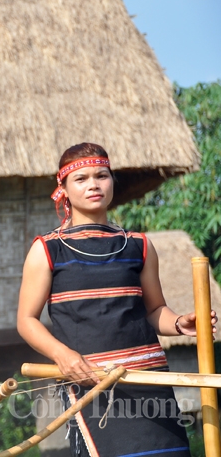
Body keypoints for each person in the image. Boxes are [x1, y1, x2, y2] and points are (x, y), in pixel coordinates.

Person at [17, 143, 215, 457]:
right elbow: (26, 320)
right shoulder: (47, 250)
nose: (94, 184)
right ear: (63, 190)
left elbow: (153, 311)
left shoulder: (138, 245)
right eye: (81, 179)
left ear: (112, 181)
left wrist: (178, 323)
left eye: (101, 176)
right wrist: (63, 355)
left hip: (149, 380)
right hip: (92, 385)